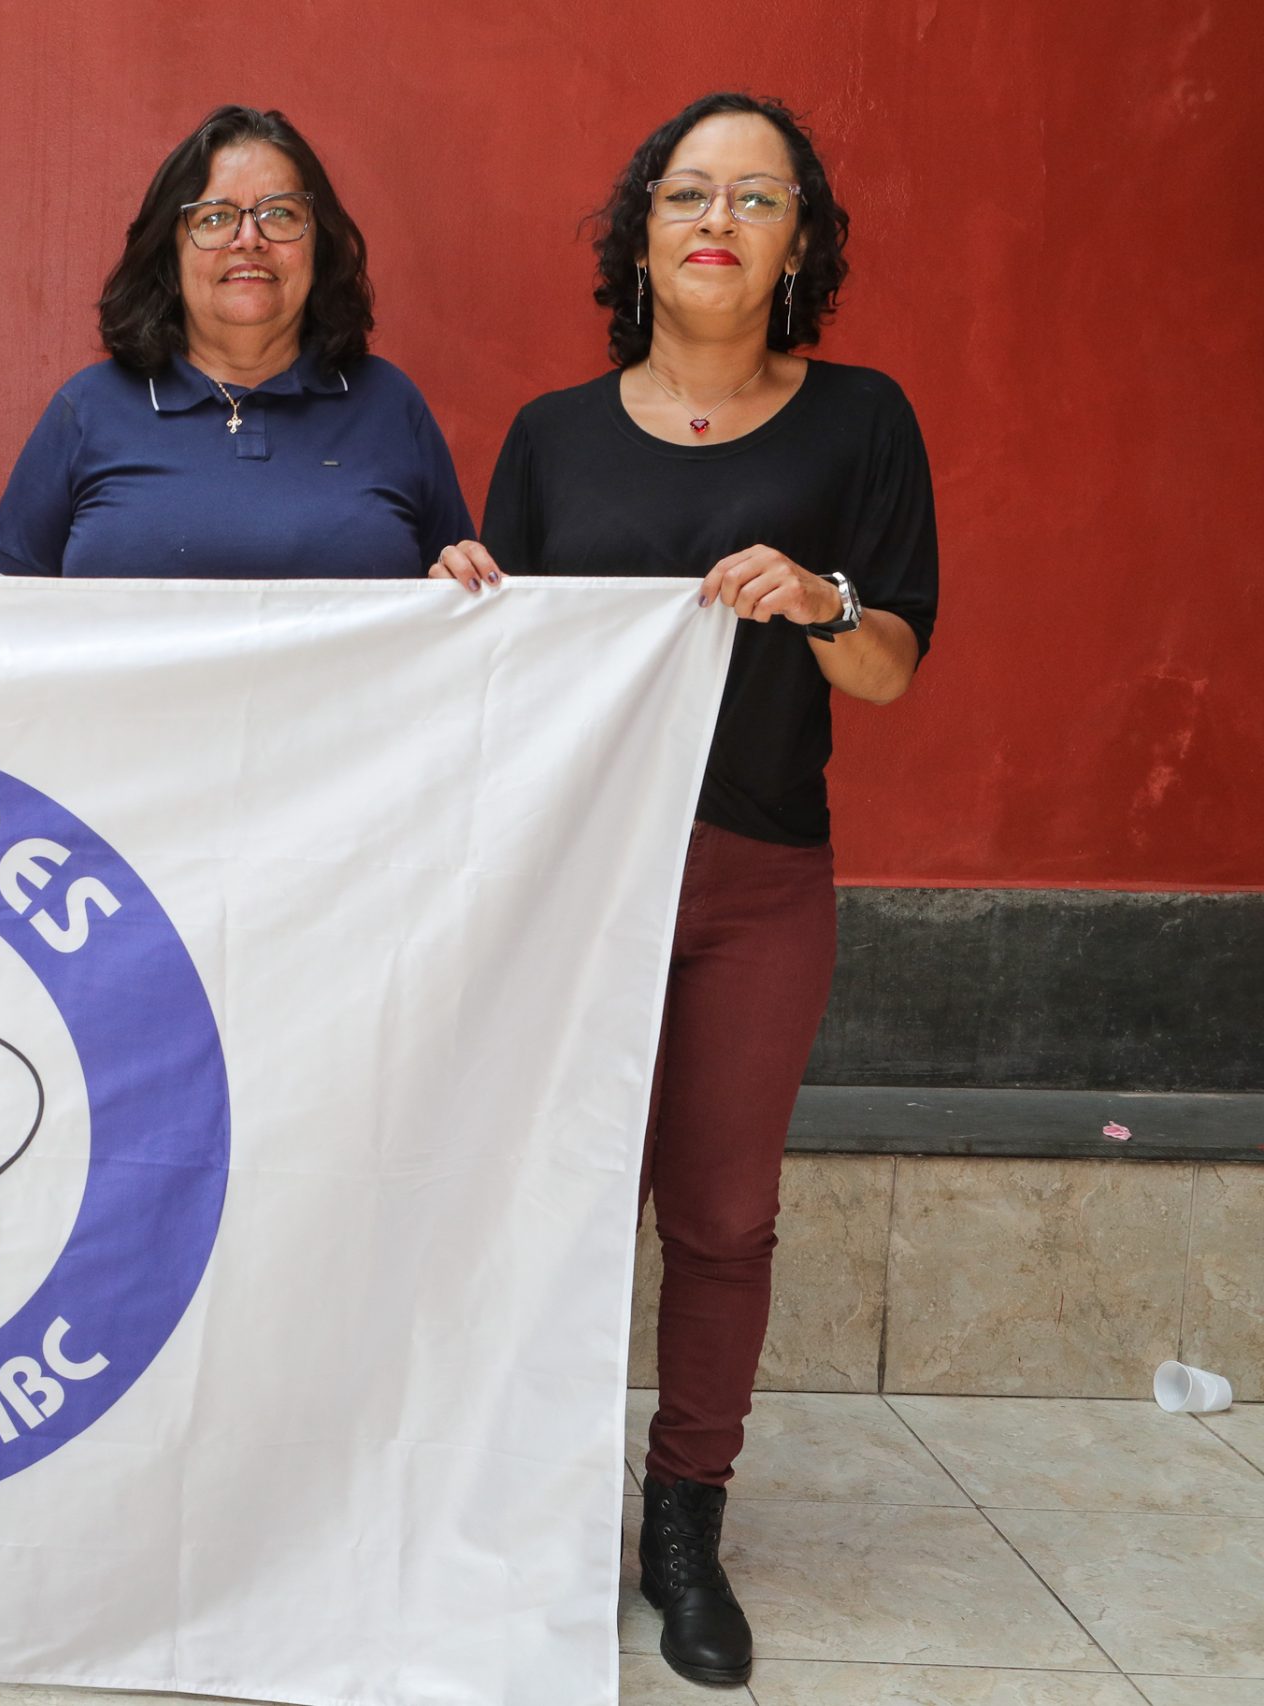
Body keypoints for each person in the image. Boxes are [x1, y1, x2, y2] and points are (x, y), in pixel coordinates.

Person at [430, 93, 937, 1687]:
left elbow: (893, 671)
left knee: (721, 1216)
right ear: (639, 232)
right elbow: (492, 675)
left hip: (755, 873)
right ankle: (527, 1495)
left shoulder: (861, 422)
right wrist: (461, 602)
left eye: (757, 197)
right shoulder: (550, 435)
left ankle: (683, 1520)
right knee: (544, 1195)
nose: (717, 217)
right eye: (686, 192)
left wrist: (818, 595)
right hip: (574, 884)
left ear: (801, 243)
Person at [0, 104, 468, 579]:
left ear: (319, 246)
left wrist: (460, 590)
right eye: (214, 218)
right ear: (169, 257)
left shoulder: (390, 405)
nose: (249, 238)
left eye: (279, 213)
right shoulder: (87, 411)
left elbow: (459, 620)